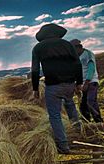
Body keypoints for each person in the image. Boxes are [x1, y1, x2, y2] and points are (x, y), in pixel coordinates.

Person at [32, 23, 83, 154]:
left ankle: (63, 145)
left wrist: (35, 88)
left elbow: (35, 70)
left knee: (54, 115)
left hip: (53, 86)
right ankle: (78, 133)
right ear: (57, 33)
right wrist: (79, 83)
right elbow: (77, 64)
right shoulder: (68, 45)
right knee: (70, 104)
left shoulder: (38, 48)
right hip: (70, 84)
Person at [70, 39, 104, 123]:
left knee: (90, 101)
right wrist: (76, 84)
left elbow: (91, 69)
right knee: (83, 104)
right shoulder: (76, 57)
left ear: (78, 47)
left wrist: (87, 82)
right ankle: (87, 122)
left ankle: (99, 122)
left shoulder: (88, 54)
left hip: (91, 82)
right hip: (82, 83)